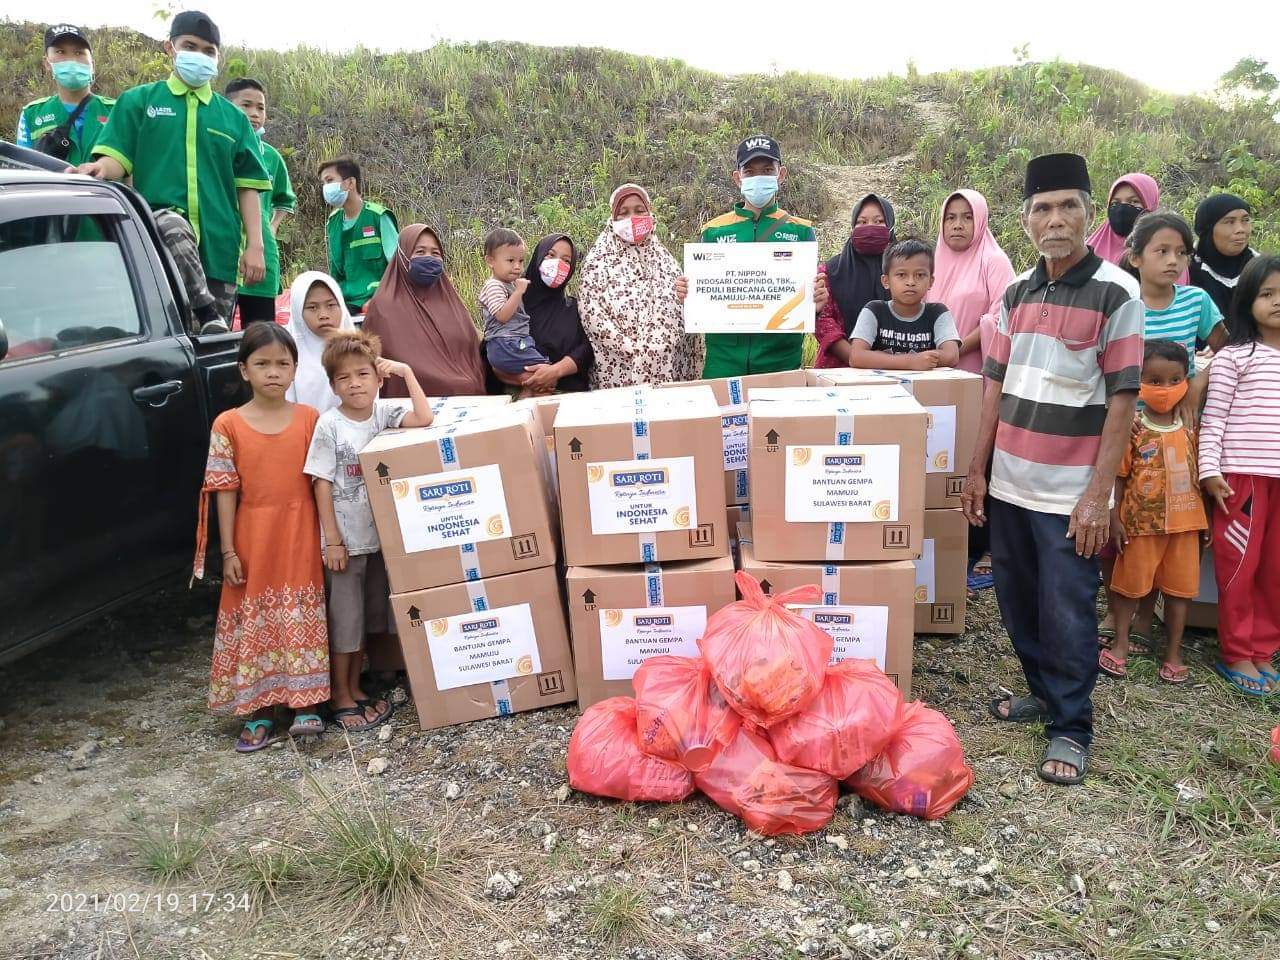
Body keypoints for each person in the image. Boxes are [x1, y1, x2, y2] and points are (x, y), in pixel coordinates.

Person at [963, 153, 1143, 786]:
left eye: (1069, 206)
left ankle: (1070, 724)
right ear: (1025, 221)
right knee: (1017, 600)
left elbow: (1124, 397)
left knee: (1066, 607)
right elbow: (994, 386)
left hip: (1070, 492)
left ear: (1090, 215)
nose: (1055, 219)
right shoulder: (1016, 294)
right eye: (1043, 208)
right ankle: (1042, 692)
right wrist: (977, 471)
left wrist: (1100, 494)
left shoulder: (1118, 293)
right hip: (1011, 481)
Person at [76, 11, 270, 332]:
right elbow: (116, 159)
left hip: (219, 249)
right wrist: (98, 168)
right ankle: (204, 311)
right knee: (172, 340)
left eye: (209, 51)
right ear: (170, 47)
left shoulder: (232, 119)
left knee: (212, 347)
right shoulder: (140, 101)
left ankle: (210, 318)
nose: (200, 56)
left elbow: (247, 186)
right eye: (190, 46)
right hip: (159, 250)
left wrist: (255, 246)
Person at [193, 323, 330, 751]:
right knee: (254, 610)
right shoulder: (228, 424)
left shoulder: (310, 419)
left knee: (300, 605)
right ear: (244, 370)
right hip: (252, 534)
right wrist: (228, 549)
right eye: (262, 363)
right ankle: (258, 709)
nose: (274, 372)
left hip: (301, 530)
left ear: (295, 370)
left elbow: (322, 482)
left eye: (283, 364)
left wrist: (330, 537)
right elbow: (224, 489)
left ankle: (305, 701)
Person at [1097, 211, 1228, 649]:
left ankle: (1143, 619)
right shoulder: (1118, 301)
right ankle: (1117, 610)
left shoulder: (1196, 302)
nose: (1173, 260)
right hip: (1123, 432)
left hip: (1173, 433)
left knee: (1159, 525)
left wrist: (1198, 384)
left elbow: (1224, 350)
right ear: (1134, 256)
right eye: (1161, 251)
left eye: (1181, 252)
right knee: (1117, 523)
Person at [304, 330, 432, 732]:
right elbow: (320, 482)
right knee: (345, 619)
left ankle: (356, 688)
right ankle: (340, 695)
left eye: (363, 374)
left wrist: (407, 372)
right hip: (347, 543)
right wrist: (333, 541)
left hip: (378, 541)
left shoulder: (383, 414)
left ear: (379, 379)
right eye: (344, 378)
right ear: (332, 386)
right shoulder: (330, 426)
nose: (354, 384)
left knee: (364, 618)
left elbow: (424, 417)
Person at [1099, 340, 1208, 685]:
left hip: (1185, 526)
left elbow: (1202, 474)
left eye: (1175, 380)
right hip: (1140, 525)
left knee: (1179, 592)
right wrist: (1114, 516)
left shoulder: (1191, 426)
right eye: (1155, 380)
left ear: (1186, 381)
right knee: (1129, 587)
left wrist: (1207, 520)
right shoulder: (1133, 428)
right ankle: (1120, 644)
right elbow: (1118, 475)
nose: (1165, 389)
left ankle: (1174, 654)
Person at [674, 136, 829, 377]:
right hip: (723, 360)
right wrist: (689, 293)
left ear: (781, 175)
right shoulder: (714, 230)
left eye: (768, 170)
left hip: (781, 360)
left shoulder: (800, 231)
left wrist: (816, 302)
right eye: (750, 171)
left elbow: (809, 303)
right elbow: (701, 295)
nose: (759, 178)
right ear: (737, 178)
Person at [1198, 254, 1280, 697]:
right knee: (1240, 566)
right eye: (1268, 294)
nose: (1277, 302)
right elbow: (1214, 420)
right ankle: (1236, 651)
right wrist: (1209, 470)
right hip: (1241, 479)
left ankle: (1264, 647)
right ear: (1248, 301)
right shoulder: (1235, 357)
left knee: (1275, 567)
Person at [579, 184, 701, 388]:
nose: (632, 218)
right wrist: (635, 351)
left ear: (649, 212)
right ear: (613, 219)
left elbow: (683, 307)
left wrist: (685, 297)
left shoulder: (665, 259)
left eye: (639, 210)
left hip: (668, 365)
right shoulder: (598, 260)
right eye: (623, 213)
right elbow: (592, 315)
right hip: (622, 369)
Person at [362, 224, 487, 398]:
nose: (429, 258)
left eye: (435, 253)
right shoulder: (384, 306)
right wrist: (452, 382)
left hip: (469, 396)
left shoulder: (450, 301)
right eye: (420, 252)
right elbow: (394, 361)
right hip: (418, 402)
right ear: (403, 256)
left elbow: (471, 347)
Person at [225, 78, 295, 325]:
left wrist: (272, 227)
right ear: (227, 106)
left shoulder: (272, 157)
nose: (254, 114)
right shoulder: (215, 146)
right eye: (246, 105)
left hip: (261, 255)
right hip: (222, 250)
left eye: (261, 108)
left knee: (260, 333)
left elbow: (285, 199)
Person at [490, 233, 592, 393]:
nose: (557, 263)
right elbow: (492, 349)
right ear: (538, 257)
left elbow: (586, 349)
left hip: (567, 396)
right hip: (518, 396)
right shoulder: (510, 302)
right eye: (550, 255)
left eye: (566, 260)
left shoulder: (575, 308)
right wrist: (527, 380)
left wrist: (555, 371)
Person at [930, 189, 1015, 376]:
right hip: (931, 369)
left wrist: (953, 352)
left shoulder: (994, 261)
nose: (958, 225)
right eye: (950, 218)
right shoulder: (931, 264)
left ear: (980, 220)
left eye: (967, 218)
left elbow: (1003, 316)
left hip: (975, 371)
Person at [847, 238, 961, 370]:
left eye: (920, 275)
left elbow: (952, 355)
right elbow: (856, 357)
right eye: (901, 275)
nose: (911, 282)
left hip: (924, 388)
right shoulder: (874, 310)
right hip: (882, 387)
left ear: (931, 281)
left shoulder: (937, 312)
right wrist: (910, 362)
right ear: (886, 281)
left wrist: (876, 358)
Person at [815, 194, 895, 368]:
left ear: (891, 227)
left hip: (897, 368)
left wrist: (890, 362)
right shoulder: (830, 270)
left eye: (879, 221)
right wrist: (856, 357)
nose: (870, 228)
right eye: (862, 222)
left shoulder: (904, 270)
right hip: (839, 369)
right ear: (852, 228)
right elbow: (822, 318)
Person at [16, 24, 114, 166]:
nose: (71, 60)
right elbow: (24, 171)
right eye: (61, 52)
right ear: (47, 63)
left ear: (92, 64)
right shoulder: (31, 114)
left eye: (79, 52)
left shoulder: (117, 110)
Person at [319, 156, 398, 313]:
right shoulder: (333, 223)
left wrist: (381, 299)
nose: (326, 187)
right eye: (323, 183)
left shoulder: (378, 216)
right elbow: (336, 272)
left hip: (379, 302)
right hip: (346, 303)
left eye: (329, 180)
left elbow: (398, 267)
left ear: (350, 183)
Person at [478, 228, 550, 384]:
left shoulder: (508, 284)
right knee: (545, 373)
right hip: (505, 344)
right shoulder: (494, 286)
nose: (517, 266)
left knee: (545, 376)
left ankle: (526, 392)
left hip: (517, 342)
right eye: (510, 261)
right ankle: (526, 390)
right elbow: (502, 316)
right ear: (490, 261)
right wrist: (518, 292)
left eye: (521, 261)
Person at [1086, 173, 1187, 282]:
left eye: (1134, 202)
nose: (1122, 209)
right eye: (1115, 203)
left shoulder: (1169, 253)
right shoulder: (1087, 251)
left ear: (1150, 205)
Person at [284, 271, 355, 413]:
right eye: (312, 307)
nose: (323, 315)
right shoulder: (285, 357)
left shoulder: (359, 351)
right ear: (298, 312)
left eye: (330, 305)